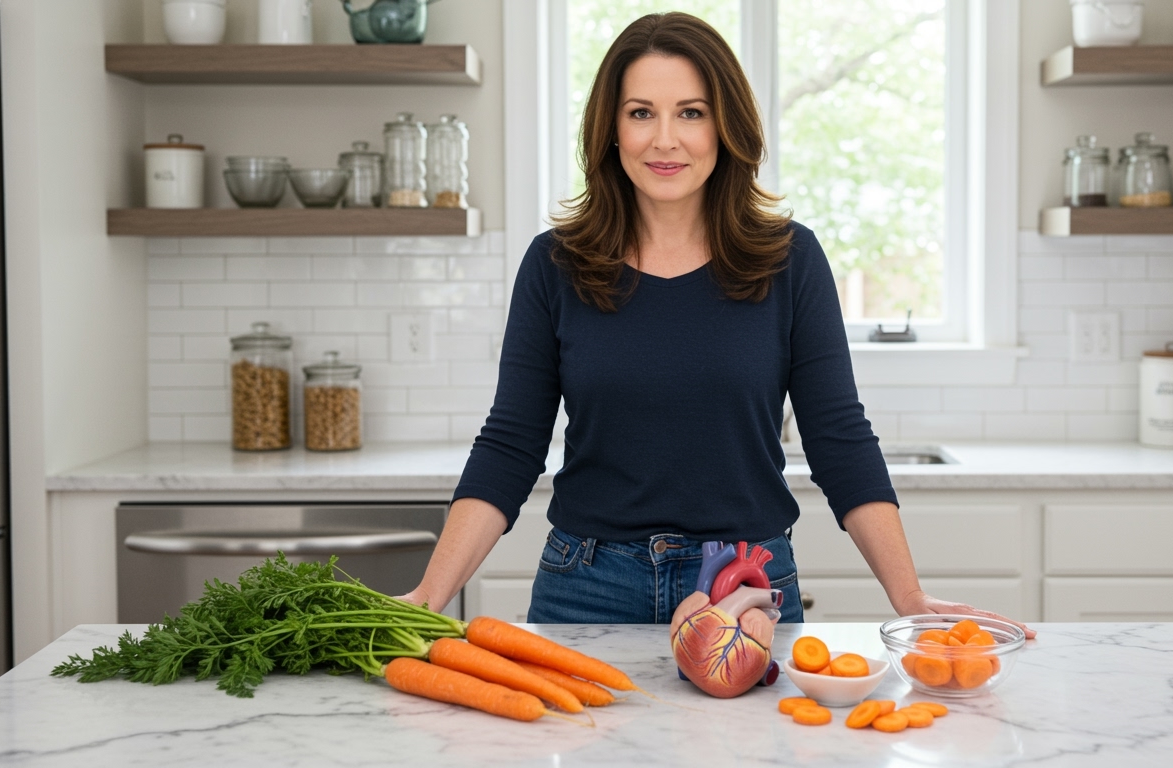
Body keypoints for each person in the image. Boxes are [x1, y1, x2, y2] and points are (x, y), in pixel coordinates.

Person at [400, 11, 1034, 639]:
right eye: (641, 112)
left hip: (746, 588)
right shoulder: (555, 264)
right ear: (611, 130)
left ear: (725, 126)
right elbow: (511, 443)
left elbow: (837, 435)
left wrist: (909, 594)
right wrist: (432, 593)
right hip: (586, 585)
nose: (665, 139)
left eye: (692, 112)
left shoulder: (791, 259)